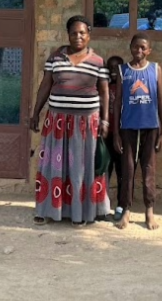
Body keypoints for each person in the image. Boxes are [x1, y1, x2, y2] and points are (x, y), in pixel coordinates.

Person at [29, 15, 112, 225]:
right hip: (57, 122)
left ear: (89, 35)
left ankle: (80, 214)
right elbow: (45, 86)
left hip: (86, 124)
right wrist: (35, 112)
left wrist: (105, 121)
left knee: (81, 168)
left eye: (82, 33)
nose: (78, 36)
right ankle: (47, 210)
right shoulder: (55, 58)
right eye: (74, 33)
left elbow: (104, 93)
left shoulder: (98, 61)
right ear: (68, 35)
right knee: (53, 166)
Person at [112, 34, 162, 230]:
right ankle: (126, 210)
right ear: (130, 48)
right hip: (128, 127)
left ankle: (149, 211)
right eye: (136, 47)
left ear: (149, 50)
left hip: (150, 127)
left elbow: (160, 101)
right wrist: (116, 133)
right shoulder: (123, 70)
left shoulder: (155, 69)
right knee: (128, 170)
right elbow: (118, 102)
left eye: (143, 48)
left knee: (149, 170)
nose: (139, 51)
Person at [104, 55, 128, 220]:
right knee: (105, 171)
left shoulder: (126, 88)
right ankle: (102, 205)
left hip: (122, 136)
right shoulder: (103, 87)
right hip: (106, 136)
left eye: (117, 68)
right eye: (110, 68)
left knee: (122, 171)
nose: (114, 71)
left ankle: (121, 204)